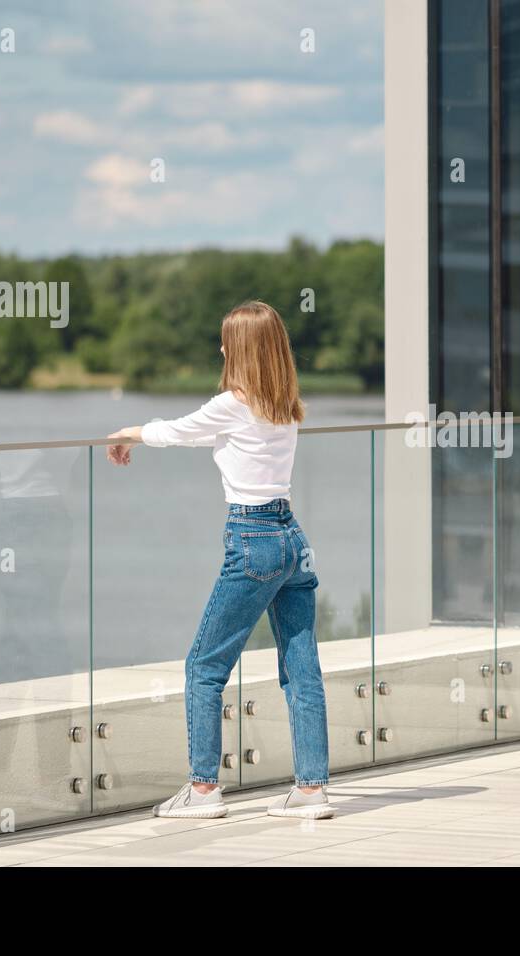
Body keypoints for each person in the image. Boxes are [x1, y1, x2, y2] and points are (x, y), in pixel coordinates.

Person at [106, 301, 334, 819]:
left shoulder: (235, 402)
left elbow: (179, 429)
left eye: (227, 340)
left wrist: (128, 433)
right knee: (301, 669)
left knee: (204, 666)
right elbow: (210, 434)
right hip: (291, 538)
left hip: (253, 538)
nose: (221, 347)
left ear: (242, 349)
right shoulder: (285, 404)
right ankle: (312, 789)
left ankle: (204, 790)